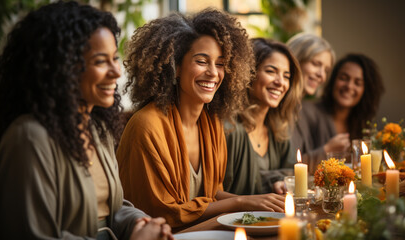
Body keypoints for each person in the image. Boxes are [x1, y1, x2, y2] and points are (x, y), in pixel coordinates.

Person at [0, 1, 172, 239]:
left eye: (114, 58)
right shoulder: (29, 138)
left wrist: (140, 223)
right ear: (61, 67)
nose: (116, 71)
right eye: (101, 61)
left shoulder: (97, 127)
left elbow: (110, 208)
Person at [117, 9, 285, 229]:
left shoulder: (211, 123)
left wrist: (255, 203)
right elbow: (162, 213)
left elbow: (211, 192)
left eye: (221, 63)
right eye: (202, 61)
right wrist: (241, 202)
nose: (213, 73)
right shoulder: (147, 125)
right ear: (175, 66)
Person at [223, 38, 303, 195]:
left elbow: (292, 172)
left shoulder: (278, 129)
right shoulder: (229, 128)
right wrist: (272, 180)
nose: (281, 83)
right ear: (248, 73)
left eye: (286, 76)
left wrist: (280, 182)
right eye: (271, 71)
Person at [287, 33, 348, 173]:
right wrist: (327, 150)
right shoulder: (276, 107)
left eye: (326, 70)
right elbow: (284, 168)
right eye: (316, 64)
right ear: (296, 60)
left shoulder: (300, 108)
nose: (322, 75)